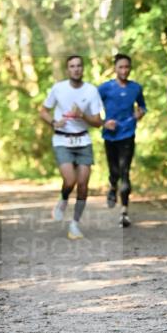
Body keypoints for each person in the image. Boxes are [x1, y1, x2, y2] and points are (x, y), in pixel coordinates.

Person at [39, 54, 103, 239]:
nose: (76, 69)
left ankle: (75, 224)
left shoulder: (91, 91)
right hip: (62, 140)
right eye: (72, 66)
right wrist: (53, 122)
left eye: (79, 66)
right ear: (68, 70)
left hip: (83, 140)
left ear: (83, 69)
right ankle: (63, 199)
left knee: (83, 185)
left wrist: (82, 115)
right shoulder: (58, 88)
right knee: (70, 180)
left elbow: (98, 122)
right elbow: (43, 111)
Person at [98, 53, 147, 228]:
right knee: (114, 172)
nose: (124, 70)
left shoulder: (135, 88)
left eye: (127, 67)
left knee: (125, 171)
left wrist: (139, 113)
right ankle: (112, 187)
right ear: (115, 69)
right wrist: (104, 122)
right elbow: (92, 106)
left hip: (128, 134)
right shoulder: (105, 88)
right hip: (110, 135)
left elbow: (142, 106)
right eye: (121, 67)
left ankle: (124, 212)